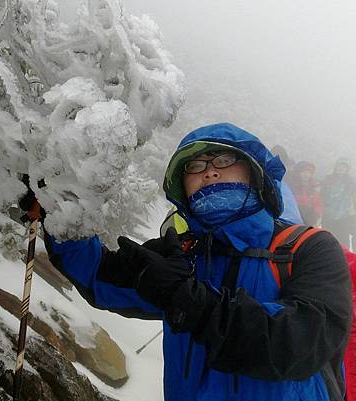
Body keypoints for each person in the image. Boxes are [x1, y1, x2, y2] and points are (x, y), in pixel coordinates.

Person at [23, 123, 351, 401]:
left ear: (255, 173)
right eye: (194, 166)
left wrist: (190, 302)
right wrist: (59, 211)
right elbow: (99, 275)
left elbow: (302, 342)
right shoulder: (183, 253)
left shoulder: (308, 248)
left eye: (224, 158)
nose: (209, 170)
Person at [321, 157, 356, 248]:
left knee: (343, 242)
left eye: (344, 166)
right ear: (335, 167)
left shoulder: (351, 182)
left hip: (344, 217)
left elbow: (353, 198)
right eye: (339, 166)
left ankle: (345, 261)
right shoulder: (328, 179)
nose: (341, 168)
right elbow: (321, 195)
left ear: (347, 169)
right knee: (328, 241)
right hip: (328, 216)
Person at [288, 160, 324, 226]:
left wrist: (316, 215)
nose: (306, 174)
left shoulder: (314, 187)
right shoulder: (291, 186)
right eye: (303, 171)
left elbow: (318, 204)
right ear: (298, 173)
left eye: (309, 172)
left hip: (309, 221)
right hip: (292, 219)